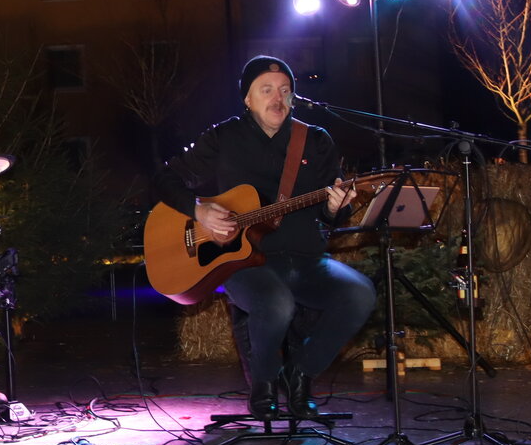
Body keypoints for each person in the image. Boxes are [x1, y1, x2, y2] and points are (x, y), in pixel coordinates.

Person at [154, 56, 376, 417]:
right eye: (267, 90)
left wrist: (336, 207)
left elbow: (333, 213)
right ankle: (264, 382)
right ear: (247, 98)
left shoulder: (316, 141)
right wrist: (198, 210)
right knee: (277, 303)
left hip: (306, 259)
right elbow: (165, 178)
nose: (278, 98)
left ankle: (300, 374)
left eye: (285, 91)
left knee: (359, 294)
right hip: (244, 264)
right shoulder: (224, 137)